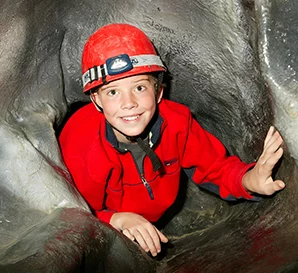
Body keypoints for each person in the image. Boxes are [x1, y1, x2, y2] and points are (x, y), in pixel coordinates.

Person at [59, 23, 285, 257]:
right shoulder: (82, 143)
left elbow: (214, 168)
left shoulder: (176, 122)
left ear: (158, 93)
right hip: (113, 227)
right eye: (113, 92)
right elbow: (74, 213)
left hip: (153, 220)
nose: (129, 103)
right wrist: (117, 219)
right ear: (96, 100)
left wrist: (249, 180)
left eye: (139, 87)